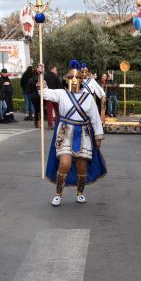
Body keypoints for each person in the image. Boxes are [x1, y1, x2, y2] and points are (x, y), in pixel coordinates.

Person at [43, 60, 106, 206]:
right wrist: (41, 76)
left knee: (82, 166)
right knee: (64, 163)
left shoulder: (88, 97)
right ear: (67, 80)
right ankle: (58, 193)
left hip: (83, 133)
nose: (74, 80)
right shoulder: (61, 94)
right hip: (65, 131)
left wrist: (98, 135)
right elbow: (45, 93)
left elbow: (95, 118)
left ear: (81, 80)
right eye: (71, 78)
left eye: (77, 78)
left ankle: (80, 192)